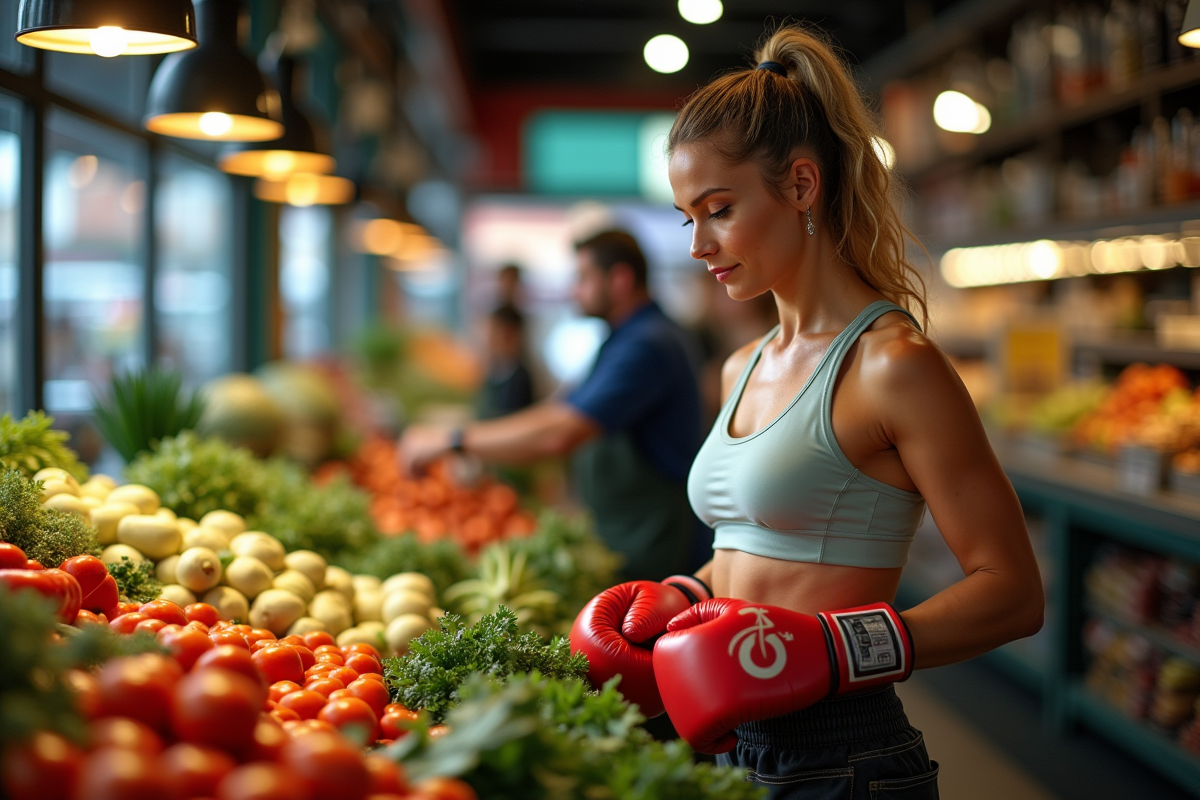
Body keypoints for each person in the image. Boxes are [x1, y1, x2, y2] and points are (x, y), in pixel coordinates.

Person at [568, 26, 1044, 799]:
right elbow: (749, 550)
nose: (699, 245)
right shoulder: (741, 365)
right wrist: (686, 595)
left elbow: (1014, 592)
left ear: (799, 184)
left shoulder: (895, 366)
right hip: (727, 742)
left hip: (843, 756)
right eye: (689, 217)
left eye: (717, 209)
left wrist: (837, 648)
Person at [400, 229, 704, 583]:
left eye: (582, 278)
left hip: (654, 545)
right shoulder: (625, 339)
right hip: (632, 534)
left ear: (620, 279)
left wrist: (451, 440)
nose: (574, 291)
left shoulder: (647, 346)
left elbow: (560, 431)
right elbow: (560, 410)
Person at [477, 304, 535, 419]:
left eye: (493, 330)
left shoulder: (519, 379)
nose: (487, 338)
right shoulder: (494, 371)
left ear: (508, 333)